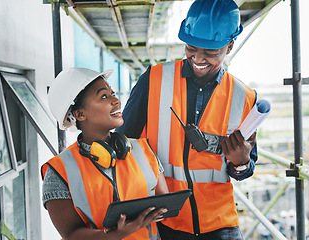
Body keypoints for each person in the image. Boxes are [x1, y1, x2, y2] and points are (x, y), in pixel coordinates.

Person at [116, 0, 258, 239]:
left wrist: (241, 162)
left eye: (211, 52)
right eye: (191, 47)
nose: (198, 58)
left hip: (220, 224)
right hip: (163, 219)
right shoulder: (154, 79)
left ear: (230, 45)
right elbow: (123, 142)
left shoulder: (245, 98)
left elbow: (245, 169)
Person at [41, 67, 169, 240]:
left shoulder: (143, 149)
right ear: (80, 114)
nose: (116, 101)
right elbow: (71, 234)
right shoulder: (59, 172)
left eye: (113, 93)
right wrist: (119, 233)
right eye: (104, 96)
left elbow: (165, 201)